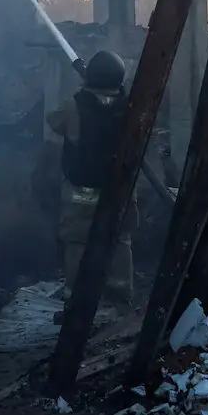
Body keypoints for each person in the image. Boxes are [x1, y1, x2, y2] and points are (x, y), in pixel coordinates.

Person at [45, 50, 137, 307]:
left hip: (81, 190)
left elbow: (53, 122)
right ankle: (120, 292)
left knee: (76, 239)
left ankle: (75, 294)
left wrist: (82, 92)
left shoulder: (73, 105)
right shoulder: (131, 105)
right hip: (119, 188)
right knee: (120, 237)